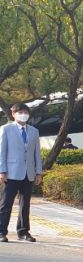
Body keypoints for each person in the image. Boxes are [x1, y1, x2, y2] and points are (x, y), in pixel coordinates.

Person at [0, 103, 43, 243]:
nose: (23, 114)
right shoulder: (6, 129)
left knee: (25, 204)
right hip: (11, 173)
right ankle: (1, 232)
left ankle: (23, 232)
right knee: (6, 204)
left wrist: (38, 172)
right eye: (20, 112)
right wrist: (2, 171)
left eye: (25, 112)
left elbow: (37, 153)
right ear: (13, 114)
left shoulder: (34, 131)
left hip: (28, 173)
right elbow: (2, 152)